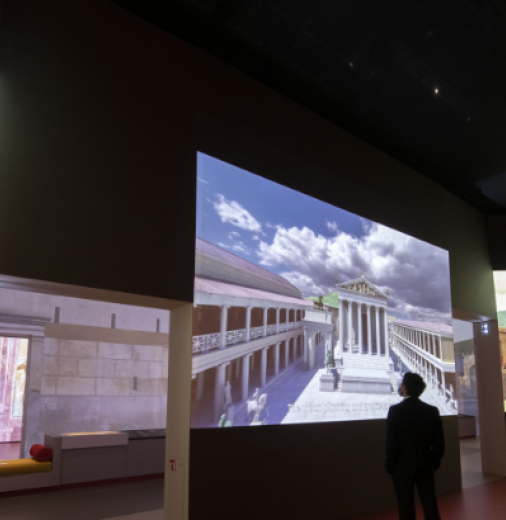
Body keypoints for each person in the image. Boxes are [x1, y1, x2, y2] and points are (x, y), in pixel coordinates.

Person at [385, 372, 445, 520]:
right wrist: (433, 463)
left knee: (406, 509)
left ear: (405, 388)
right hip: (425, 465)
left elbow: (391, 443)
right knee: (430, 505)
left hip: (401, 467)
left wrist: (390, 465)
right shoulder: (432, 411)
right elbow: (439, 443)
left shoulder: (395, 411)